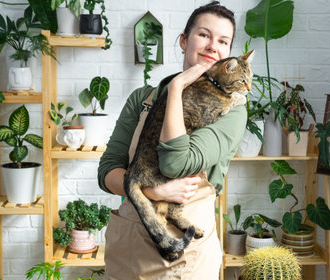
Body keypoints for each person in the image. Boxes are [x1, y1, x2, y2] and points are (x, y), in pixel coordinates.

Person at [97, 2, 246, 279]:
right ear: (183, 41)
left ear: (228, 55)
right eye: (204, 35)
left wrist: (176, 91)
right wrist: (152, 193)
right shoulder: (142, 99)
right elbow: (107, 171)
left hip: (188, 261)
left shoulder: (233, 111)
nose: (213, 46)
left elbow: (175, 163)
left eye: (223, 41)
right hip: (129, 255)